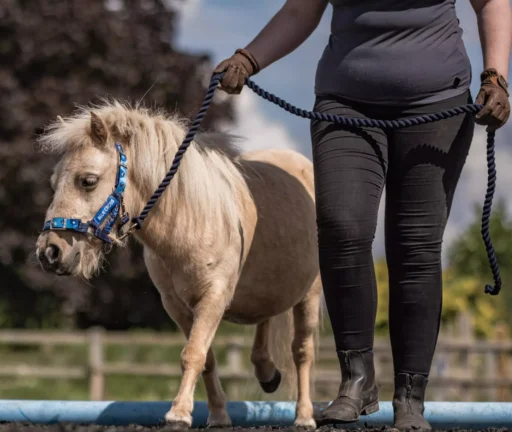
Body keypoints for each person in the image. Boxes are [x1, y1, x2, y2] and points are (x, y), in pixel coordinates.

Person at [213, 0, 511, 429]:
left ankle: (410, 396)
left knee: (415, 247)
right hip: (345, 106)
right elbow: (301, 10)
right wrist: (249, 58)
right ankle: (357, 380)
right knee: (340, 226)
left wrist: (496, 77)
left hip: (436, 104)